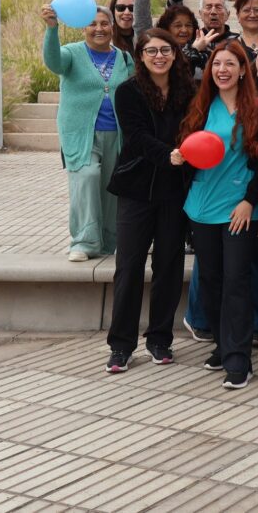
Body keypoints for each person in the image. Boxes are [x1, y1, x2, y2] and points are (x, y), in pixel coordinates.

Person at [177, 40, 258, 390]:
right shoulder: (200, 107)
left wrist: (251, 201)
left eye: (230, 63)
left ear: (242, 70)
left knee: (237, 282)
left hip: (238, 210)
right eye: (216, 63)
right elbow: (191, 150)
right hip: (201, 207)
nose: (222, 69)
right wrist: (179, 156)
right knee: (212, 281)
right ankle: (223, 343)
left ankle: (239, 358)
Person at [104, 29, 196, 373]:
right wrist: (169, 155)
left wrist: (184, 156)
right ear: (140, 56)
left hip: (175, 191)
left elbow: (195, 129)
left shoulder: (189, 89)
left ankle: (160, 339)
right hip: (137, 189)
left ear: (175, 54)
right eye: (152, 51)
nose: (159, 56)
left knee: (169, 267)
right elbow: (137, 136)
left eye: (166, 50)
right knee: (128, 267)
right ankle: (121, 345)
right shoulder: (128, 91)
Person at [41, 3, 135, 262]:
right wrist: (51, 29)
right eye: (93, 24)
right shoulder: (72, 53)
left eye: (104, 23)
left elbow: (133, 92)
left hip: (116, 134)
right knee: (86, 178)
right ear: (84, 28)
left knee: (109, 188)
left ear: (113, 27)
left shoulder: (124, 58)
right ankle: (83, 241)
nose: (99, 29)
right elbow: (53, 62)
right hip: (81, 134)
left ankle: (107, 243)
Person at [132, 0, 221, 79]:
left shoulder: (204, 51)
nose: (184, 30)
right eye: (177, 25)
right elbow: (142, 22)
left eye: (188, 25)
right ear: (167, 28)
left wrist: (197, 51)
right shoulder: (157, 51)